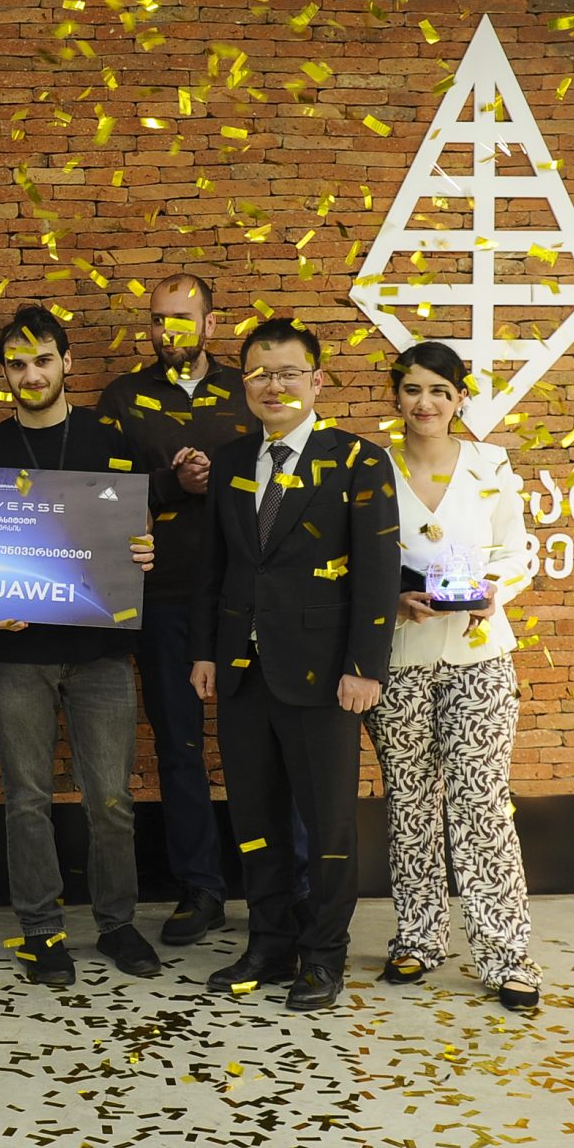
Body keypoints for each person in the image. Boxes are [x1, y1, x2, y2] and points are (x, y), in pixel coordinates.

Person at [187, 317, 400, 1013]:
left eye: (287, 373)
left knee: (328, 824)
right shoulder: (229, 460)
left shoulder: (359, 460)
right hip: (241, 670)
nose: (273, 385)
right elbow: (213, 567)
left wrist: (365, 666)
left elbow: (377, 572)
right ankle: (269, 942)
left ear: (316, 380)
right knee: (255, 817)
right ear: (244, 382)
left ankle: (324, 954)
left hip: (325, 675)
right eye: (259, 373)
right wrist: (204, 651)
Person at [0, 304, 163, 987]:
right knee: (27, 800)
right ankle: (41, 929)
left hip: (102, 650)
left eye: (43, 360)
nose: (32, 374)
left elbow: (142, 535)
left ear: (67, 362)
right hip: (18, 657)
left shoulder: (114, 442)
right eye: (17, 364)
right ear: (3, 372)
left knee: (111, 799)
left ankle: (117, 923)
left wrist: (147, 550)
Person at [371, 340, 542, 1012]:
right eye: (413, 388)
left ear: (460, 398)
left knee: (480, 802)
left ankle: (506, 954)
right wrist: (392, 600)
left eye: (440, 391)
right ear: (396, 395)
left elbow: (518, 551)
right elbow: (357, 561)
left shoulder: (490, 463)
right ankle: (418, 936)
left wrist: (497, 588)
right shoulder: (373, 469)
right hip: (401, 658)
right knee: (409, 800)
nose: (427, 403)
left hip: (479, 656)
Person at [96, 273, 260, 949]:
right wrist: (171, 482)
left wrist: (220, 480)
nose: (170, 331)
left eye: (183, 318)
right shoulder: (122, 397)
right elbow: (99, 494)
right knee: (179, 748)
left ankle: (279, 889)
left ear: (211, 325)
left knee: (260, 746)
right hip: (160, 598)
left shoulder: (251, 391)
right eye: (160, 319)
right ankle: (201, 889)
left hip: (244, 597)